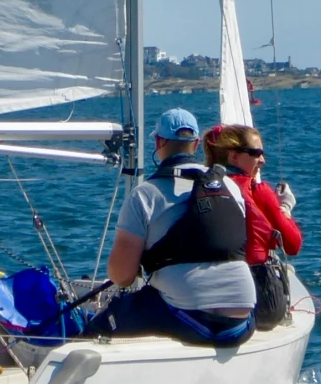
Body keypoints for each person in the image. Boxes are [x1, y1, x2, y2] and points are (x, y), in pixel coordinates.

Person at [83, 107, 256, 344]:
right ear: (196, 145)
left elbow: (122, 276)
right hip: (242, 323)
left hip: (191, 320)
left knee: (103, 322)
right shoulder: (230, 186)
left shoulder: (145, 195)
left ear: (158, 142)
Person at [205, 123, 302, 324]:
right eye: (256, 153)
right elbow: (292, 245)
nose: (263, 160)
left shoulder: (202, 187)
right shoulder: (259, 191)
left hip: (210, 292)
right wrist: (285, 209)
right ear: (233, 156)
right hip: (259, 298)